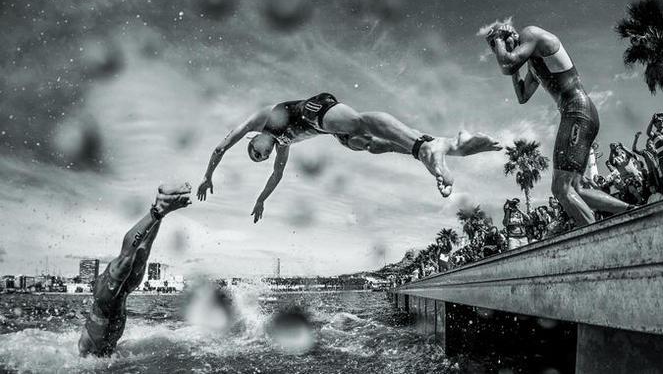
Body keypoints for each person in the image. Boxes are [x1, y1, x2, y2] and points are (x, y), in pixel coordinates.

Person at [196, 93, 501, 222]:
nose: (262, 154)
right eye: (261, 157)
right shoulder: (282, 144)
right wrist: (262, 199)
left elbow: (220, 147)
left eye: (256, 151)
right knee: (370, 145)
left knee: (358, 122)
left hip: (316, 109)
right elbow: (276, 175)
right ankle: (446, 144)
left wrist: (208, 175)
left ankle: (423, 147)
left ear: (252, 138)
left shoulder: (259, 121)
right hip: (328, 130)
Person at [483, 20, 631, 226]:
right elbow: (522, 96)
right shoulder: (533, 68)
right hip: (578, 113)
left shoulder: (531, 33)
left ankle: (596, 235)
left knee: (561, 189)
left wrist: (497, 38)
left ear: (511, 35)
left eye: (499, 43)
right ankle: (632, 210)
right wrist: (509, 56)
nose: (499, 49)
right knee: (577, 189)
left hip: (577, 110)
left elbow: (507, 64)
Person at [79, 183, 192, 357]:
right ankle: (161, 208)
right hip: (117, 301)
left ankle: (157, 211)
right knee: (142, 255)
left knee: (126, 260)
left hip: (104, 300)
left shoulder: (88, 356)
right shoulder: (105, 354)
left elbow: (125, 255)